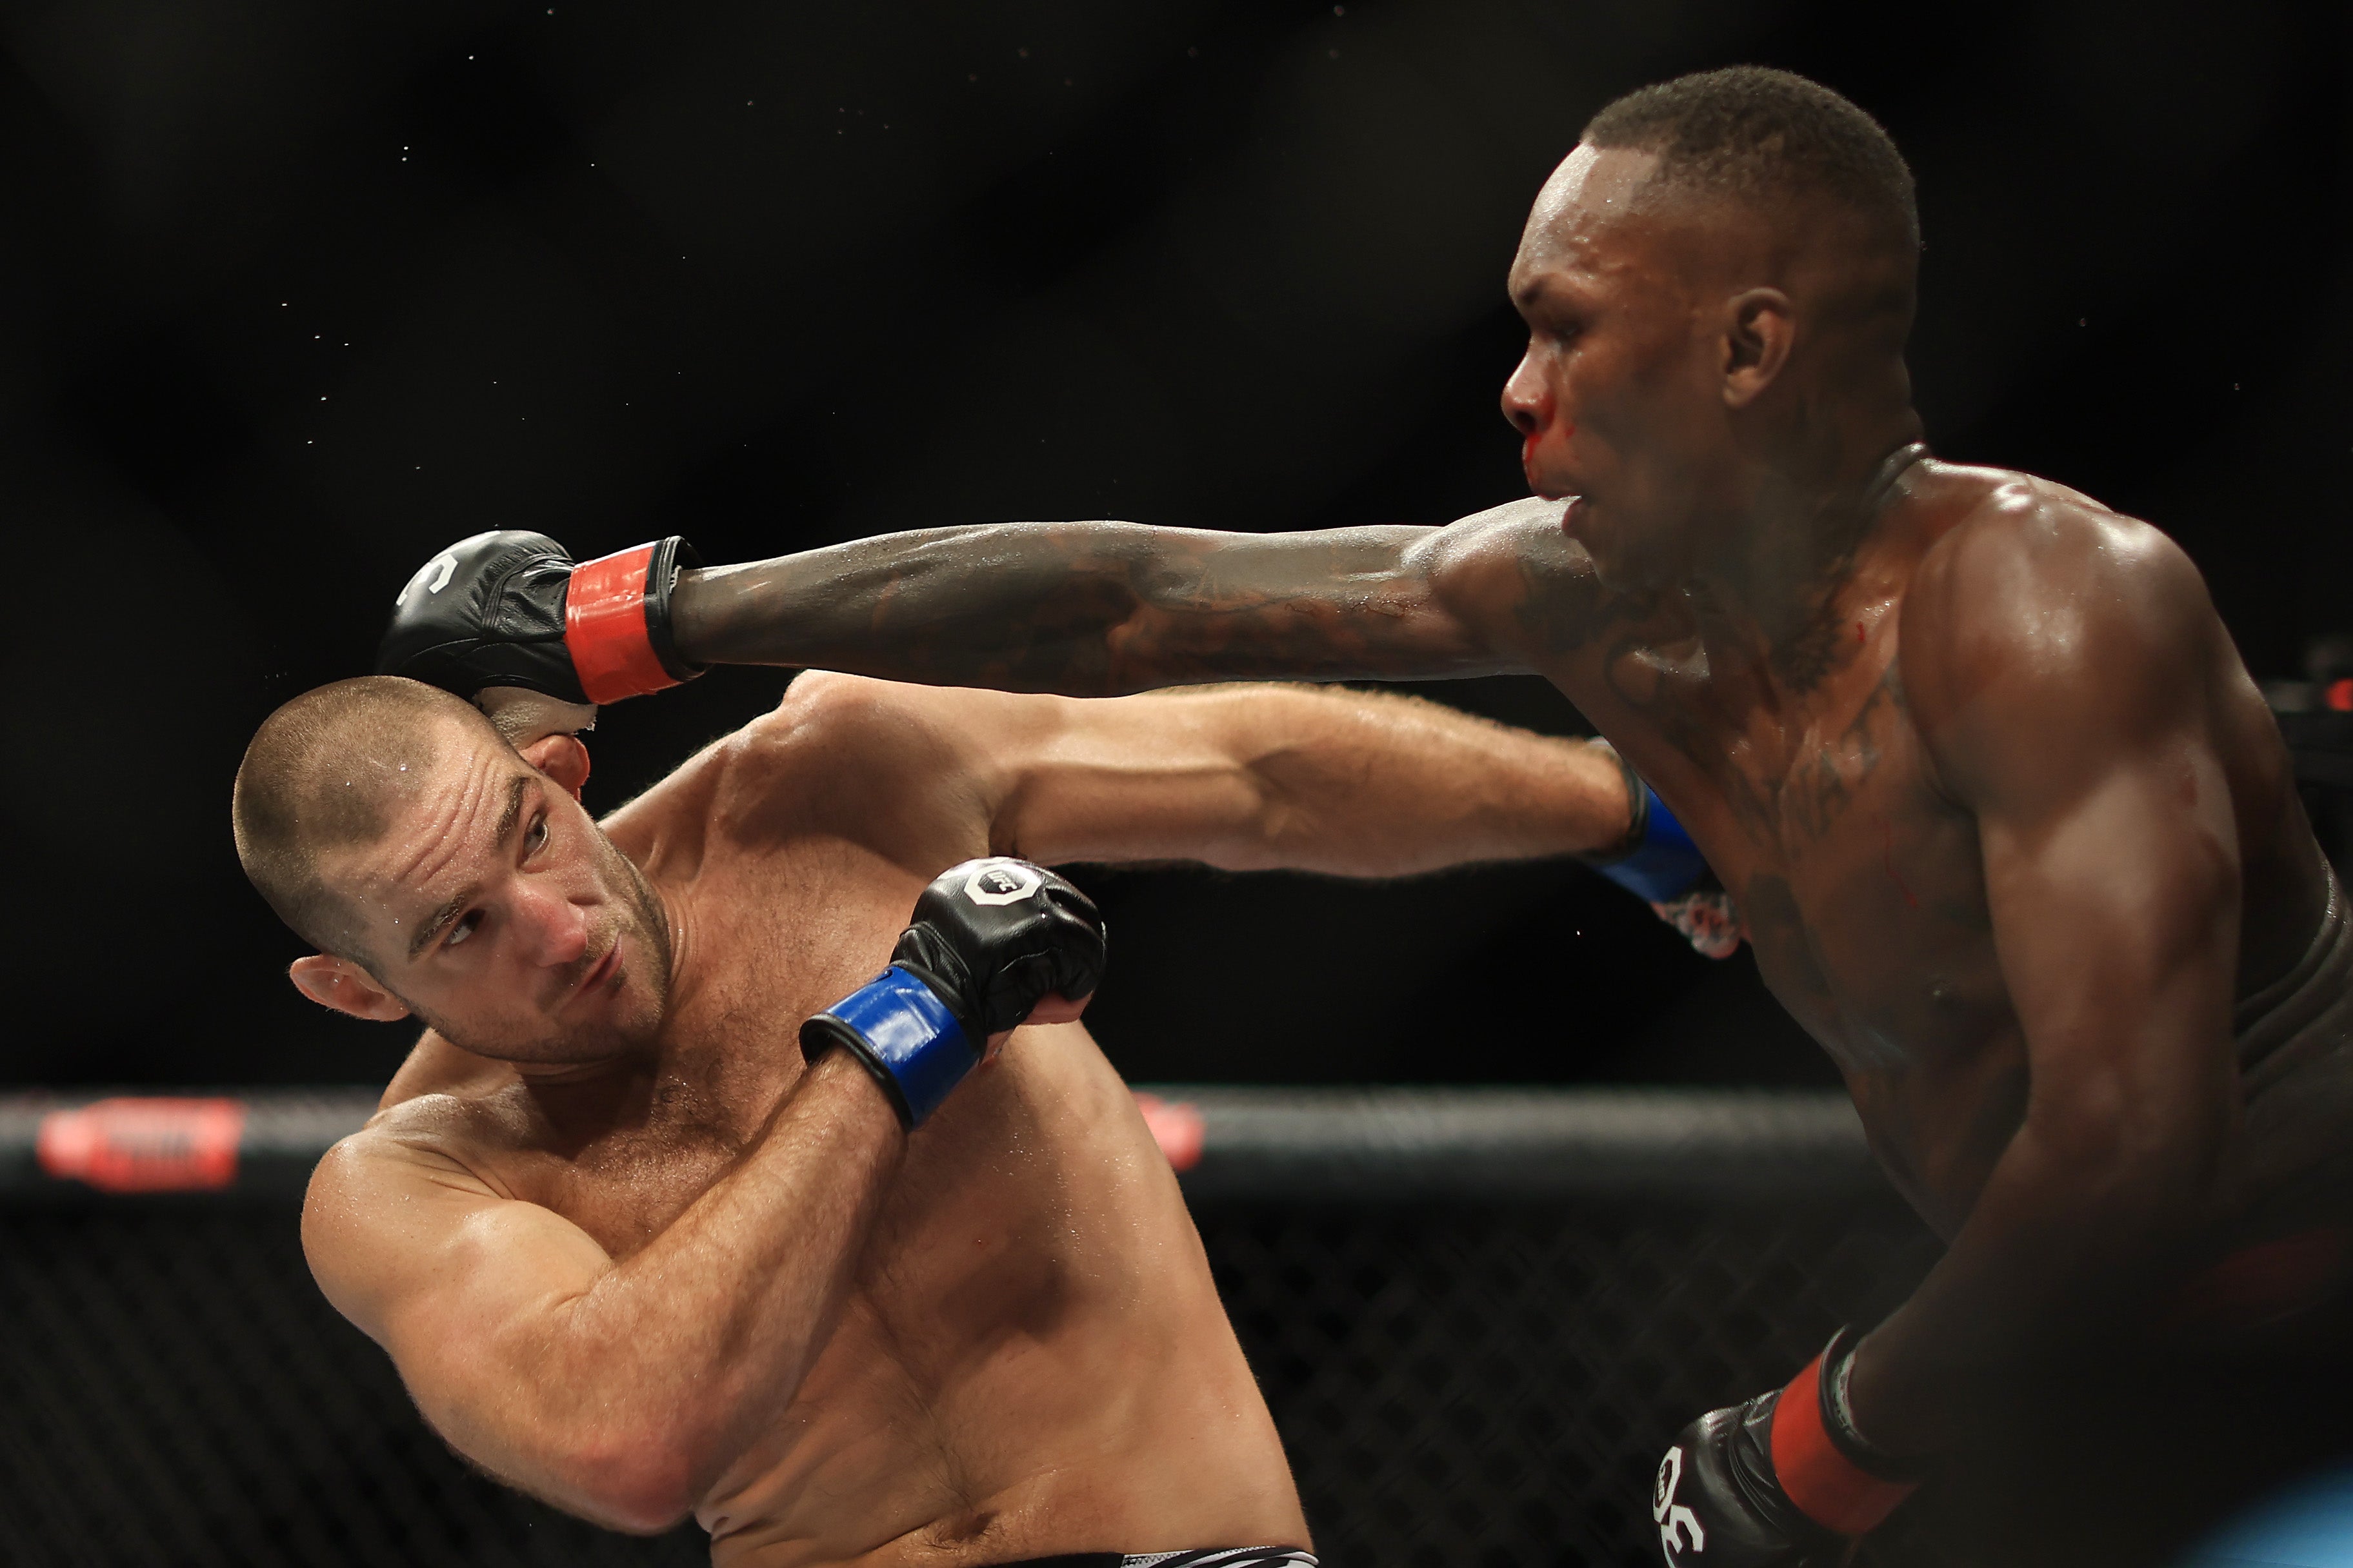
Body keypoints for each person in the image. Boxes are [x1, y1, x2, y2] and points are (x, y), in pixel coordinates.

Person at [380, 65, 2353, 1567]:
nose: (1514, 392)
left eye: (1567, 327)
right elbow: (1128, 596)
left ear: (1752, 346)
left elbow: (2128, 1146)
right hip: (2094, 1369)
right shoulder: (1595, 598)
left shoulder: (2043, 603)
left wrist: (1831, 1438)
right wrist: (644, 620)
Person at [237, 663, 1648, 1565]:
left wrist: (1626, 810)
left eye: (528, 834)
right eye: (464, 925)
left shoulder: (828, 786)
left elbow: (1249, 777)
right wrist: (901, 1036)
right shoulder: (412, 1184)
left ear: (554, 773)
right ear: (357, 992)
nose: (552, 928)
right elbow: (628, 1441)